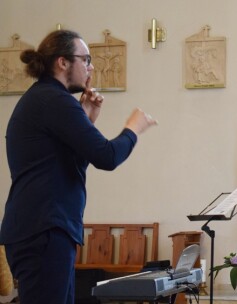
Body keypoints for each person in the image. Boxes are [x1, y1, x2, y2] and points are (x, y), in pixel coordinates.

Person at [0, 30, 157, 304]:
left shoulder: (45, 99)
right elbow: (107, 157)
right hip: (44, 230)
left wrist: (85, 118)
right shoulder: (54, 100)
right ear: (62, 62)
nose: (90, 67)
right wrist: (133, 129)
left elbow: (62, 162)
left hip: (40, 228)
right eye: (85, 59)